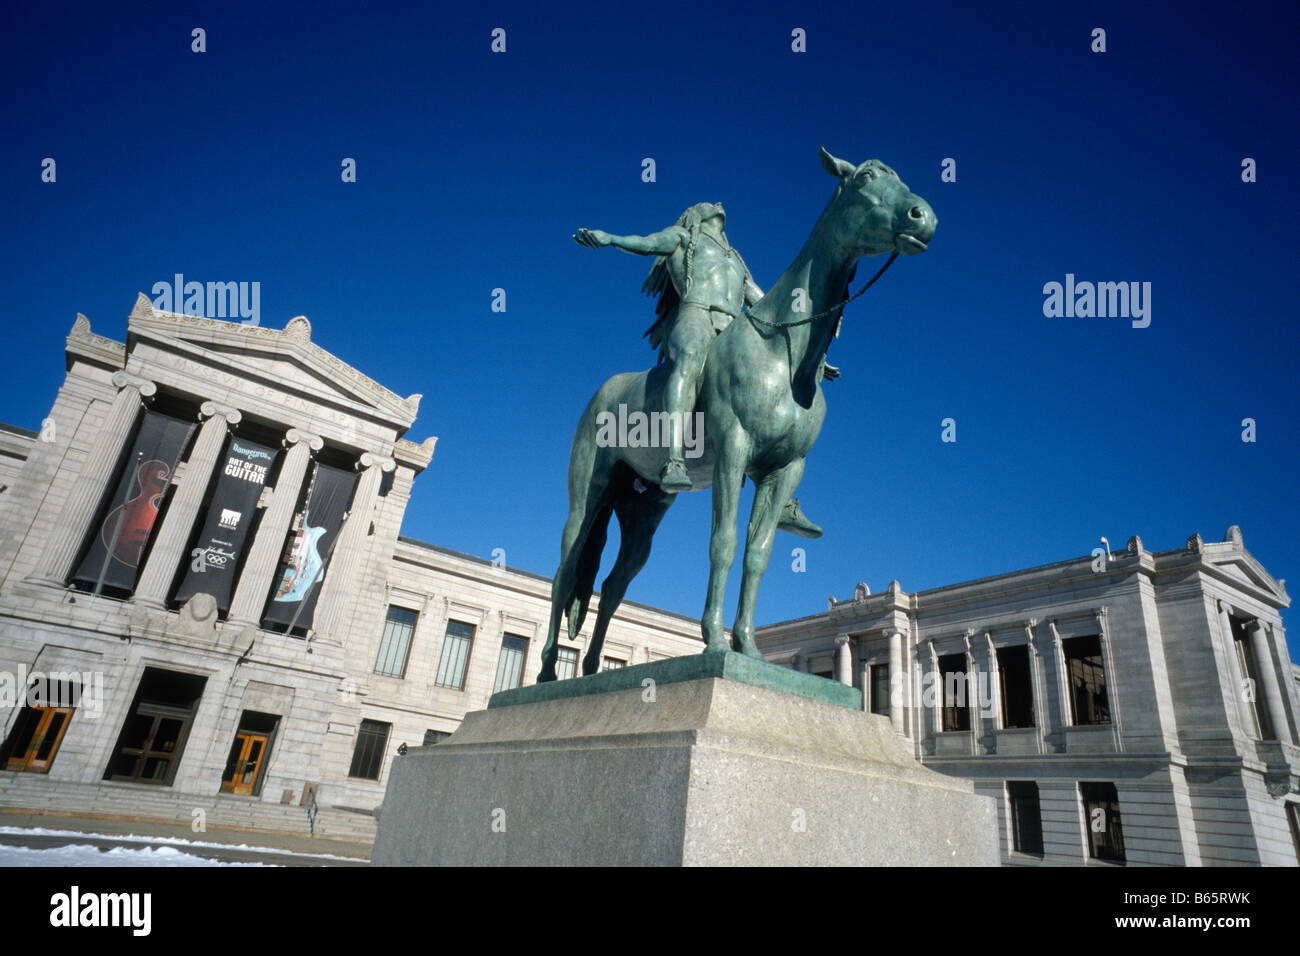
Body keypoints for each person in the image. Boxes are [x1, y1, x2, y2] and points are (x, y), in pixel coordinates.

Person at [574, 202, 822, 537]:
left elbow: (764, 304)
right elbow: (646, 244)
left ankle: (782, 500)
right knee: (689, 358)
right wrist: (609, 238)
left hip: (733, 331)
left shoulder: (735, 259)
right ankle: (674, 457)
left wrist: (802, 342)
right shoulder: (683, 237)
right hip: (696, 316)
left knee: (764, 395)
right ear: (696, 214)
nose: (719, 205)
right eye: (710, 204)